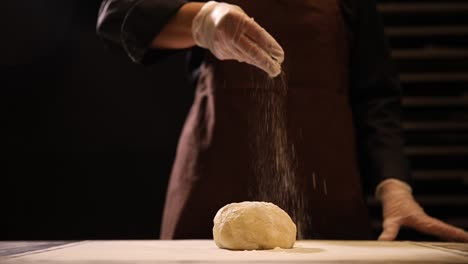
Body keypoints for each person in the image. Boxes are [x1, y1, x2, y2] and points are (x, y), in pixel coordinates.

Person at [96, 0, 468, 241]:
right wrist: (203, 21)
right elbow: (116, 15)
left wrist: (394, 186)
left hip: (328, 191)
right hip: (212, 182)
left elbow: (376, 96)